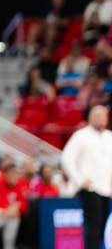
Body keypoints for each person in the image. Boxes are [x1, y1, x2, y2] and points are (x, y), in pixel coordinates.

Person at [61, 104, 112, 249]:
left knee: (102, 225)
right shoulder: (81, 135)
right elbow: (67, 158)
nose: (101, 119)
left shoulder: (109, 137)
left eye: (103, 116)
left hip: (107, 188)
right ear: (90, 117)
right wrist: (79, 179)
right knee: (93, 225)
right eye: (97, 116)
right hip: (90, 187)